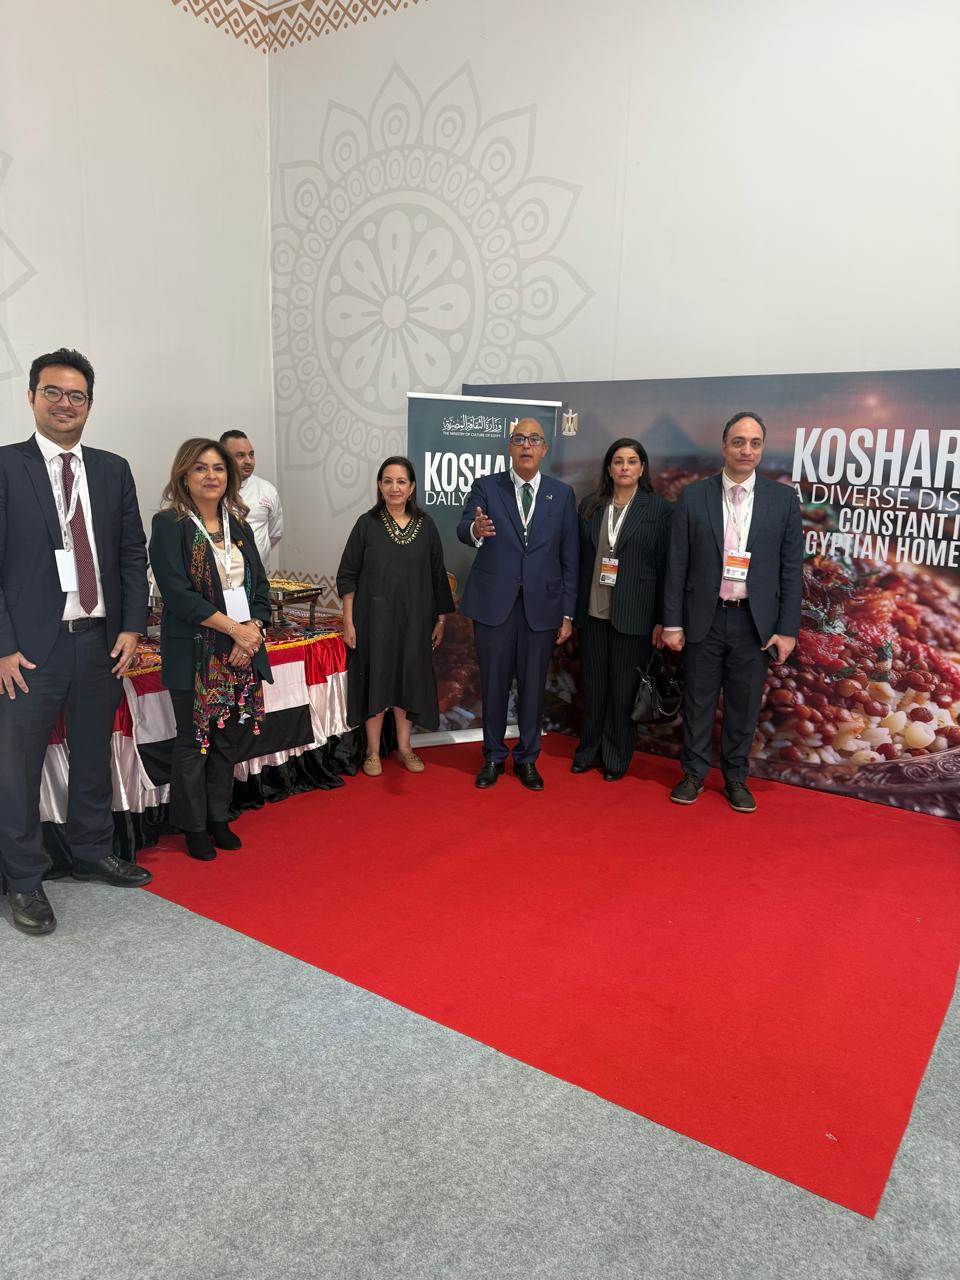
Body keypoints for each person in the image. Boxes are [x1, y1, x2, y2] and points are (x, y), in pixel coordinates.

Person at [0, 348, 151, 936]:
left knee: (93, 754)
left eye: (77, 395)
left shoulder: (113, 469)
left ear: (90, 404)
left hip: (99, 642)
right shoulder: (6, 466)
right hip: (29, 652)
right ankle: (24, 879)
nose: (65, 404)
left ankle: (91, 851)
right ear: (32, 397)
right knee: (17, 768)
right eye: (53, 392)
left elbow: (132, 554)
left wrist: (132, 626)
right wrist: (3, 646)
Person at [662, 411, 803, 812]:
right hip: (703, 617)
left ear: (762, 449)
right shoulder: (694, 496)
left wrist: (787, 630)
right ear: (724, 446)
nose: (746, 450)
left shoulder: (782, 500)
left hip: (754, 622)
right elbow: (676, 564)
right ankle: (693, 774)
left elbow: (791, 569)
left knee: (744, 705)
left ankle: (736, 778)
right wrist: (671, 622)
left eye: (755, 443)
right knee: (698, 702)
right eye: (738, 441)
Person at [149, 438, 272, 860]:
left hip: (239, 649)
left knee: (227, 738)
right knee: (194, 740)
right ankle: (194, 825)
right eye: (200, 468)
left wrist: (251, 630)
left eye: (218, 468)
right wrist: (235, 630)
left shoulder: (238, 525)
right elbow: (178, 595)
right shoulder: (169, 524)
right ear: (184, 475)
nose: (211, 476)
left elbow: (260, 587)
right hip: (195, 651)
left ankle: (219, 817)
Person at [456, 418, 579, 791]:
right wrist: (476, 530)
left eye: (534, 439)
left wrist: (567, 612)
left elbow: (570, 555)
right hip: (495, 605)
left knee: (532, 687)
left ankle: (527, 759)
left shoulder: (561, 494)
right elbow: (464, 526)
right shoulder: (486, 487)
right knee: (493, 685)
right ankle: (493, 757)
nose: (527, 445)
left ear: (544, 449)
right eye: (520, 439)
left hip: (542, 608)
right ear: (510, 447)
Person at [336, 457, 454, 776]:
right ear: (379, 486)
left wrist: (441, 620)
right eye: (387, 481)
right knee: (376, 682)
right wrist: (348, 621)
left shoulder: (426, 525)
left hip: (416, 622)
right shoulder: (366, 524)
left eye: (401, 481)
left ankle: (405, 748)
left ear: (412, 487)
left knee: (409, 682)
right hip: (373, 622)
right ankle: (373, 752)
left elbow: (437, 575)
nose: (394, 487)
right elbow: (347, 575)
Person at [572, 438, 672, 781]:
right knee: (594, 687)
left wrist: (663, 619)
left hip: (635, 614)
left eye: (631, 461)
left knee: (623, 690)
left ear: (642, 469)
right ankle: (588, 751)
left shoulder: (658, 510)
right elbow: (578, 560)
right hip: (593, 612)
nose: (625, 467)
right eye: (618, 461)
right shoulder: (591, 505)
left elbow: (666, 568)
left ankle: (615, 756)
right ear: (609, 468)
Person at [219, 430, 284, 572]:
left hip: (258, 575)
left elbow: (274, 534)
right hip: (222, 576)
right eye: (240, 455)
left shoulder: (267, 490)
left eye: (251, 454)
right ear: (223, 457)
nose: (248, 461)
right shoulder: (213, 492)